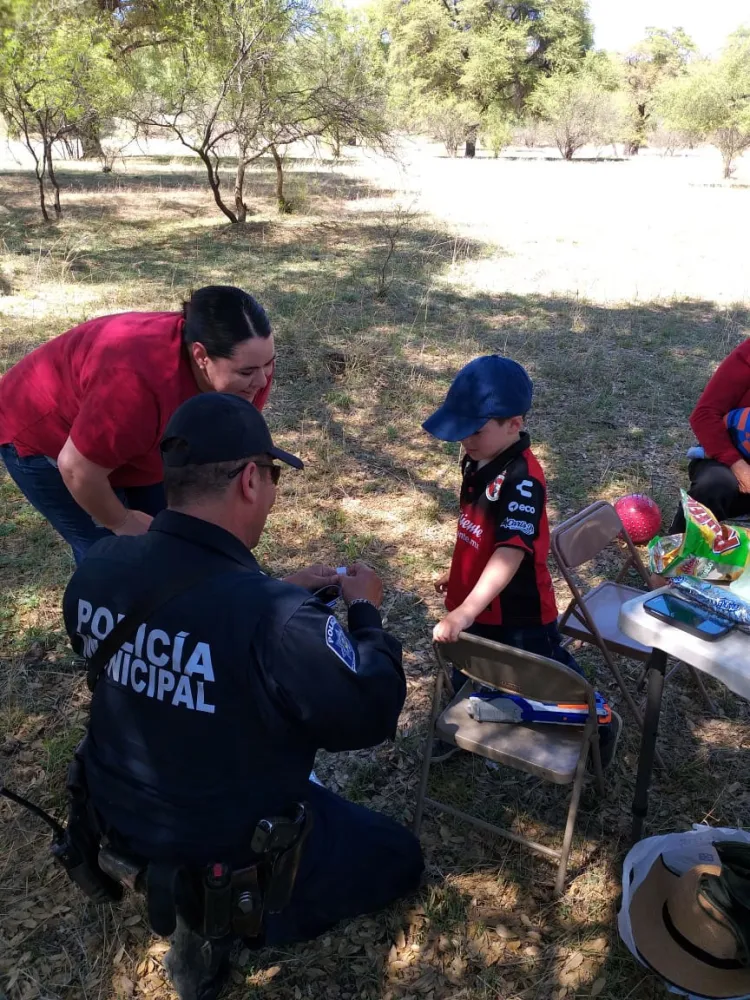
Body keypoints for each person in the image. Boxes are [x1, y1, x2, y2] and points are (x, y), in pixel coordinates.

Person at [61, 392, 423, 1000]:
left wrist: (271, 590)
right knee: (400, 857)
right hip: (225, 844)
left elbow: (175, 627)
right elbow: (370, 711)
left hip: (115, 814)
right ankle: (219, 916)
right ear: (251, 480)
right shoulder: (279, 620)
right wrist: (365, 614)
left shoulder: (98, 564)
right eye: (274, 475)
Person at [422, 355, 620, 765]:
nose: (464, 441)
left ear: (514, 423)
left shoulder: (523, 482)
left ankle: (598, 721)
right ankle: (461, 727)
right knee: (471, 666)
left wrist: (463, 611)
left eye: (474, 431)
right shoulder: (478, 458)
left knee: (549, 678)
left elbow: (510, 552)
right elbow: (478, 531)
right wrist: (458, 571)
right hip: (476, 602)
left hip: (520, 612)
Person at [0, 285, 276, 565]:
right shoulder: (134, 383)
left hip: (121, 436)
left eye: (269, 364)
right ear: (201, 357)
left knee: (177, 540)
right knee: (114, 561)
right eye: (247, 371)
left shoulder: (250, 370)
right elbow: (76, 468)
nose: (263, 381)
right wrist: (121, 520)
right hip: (44, 435)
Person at [670, 339, 750, 532]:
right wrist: (738, 466)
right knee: (714, 485)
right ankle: (677, 554)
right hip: (727, 458)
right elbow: (704, 414)